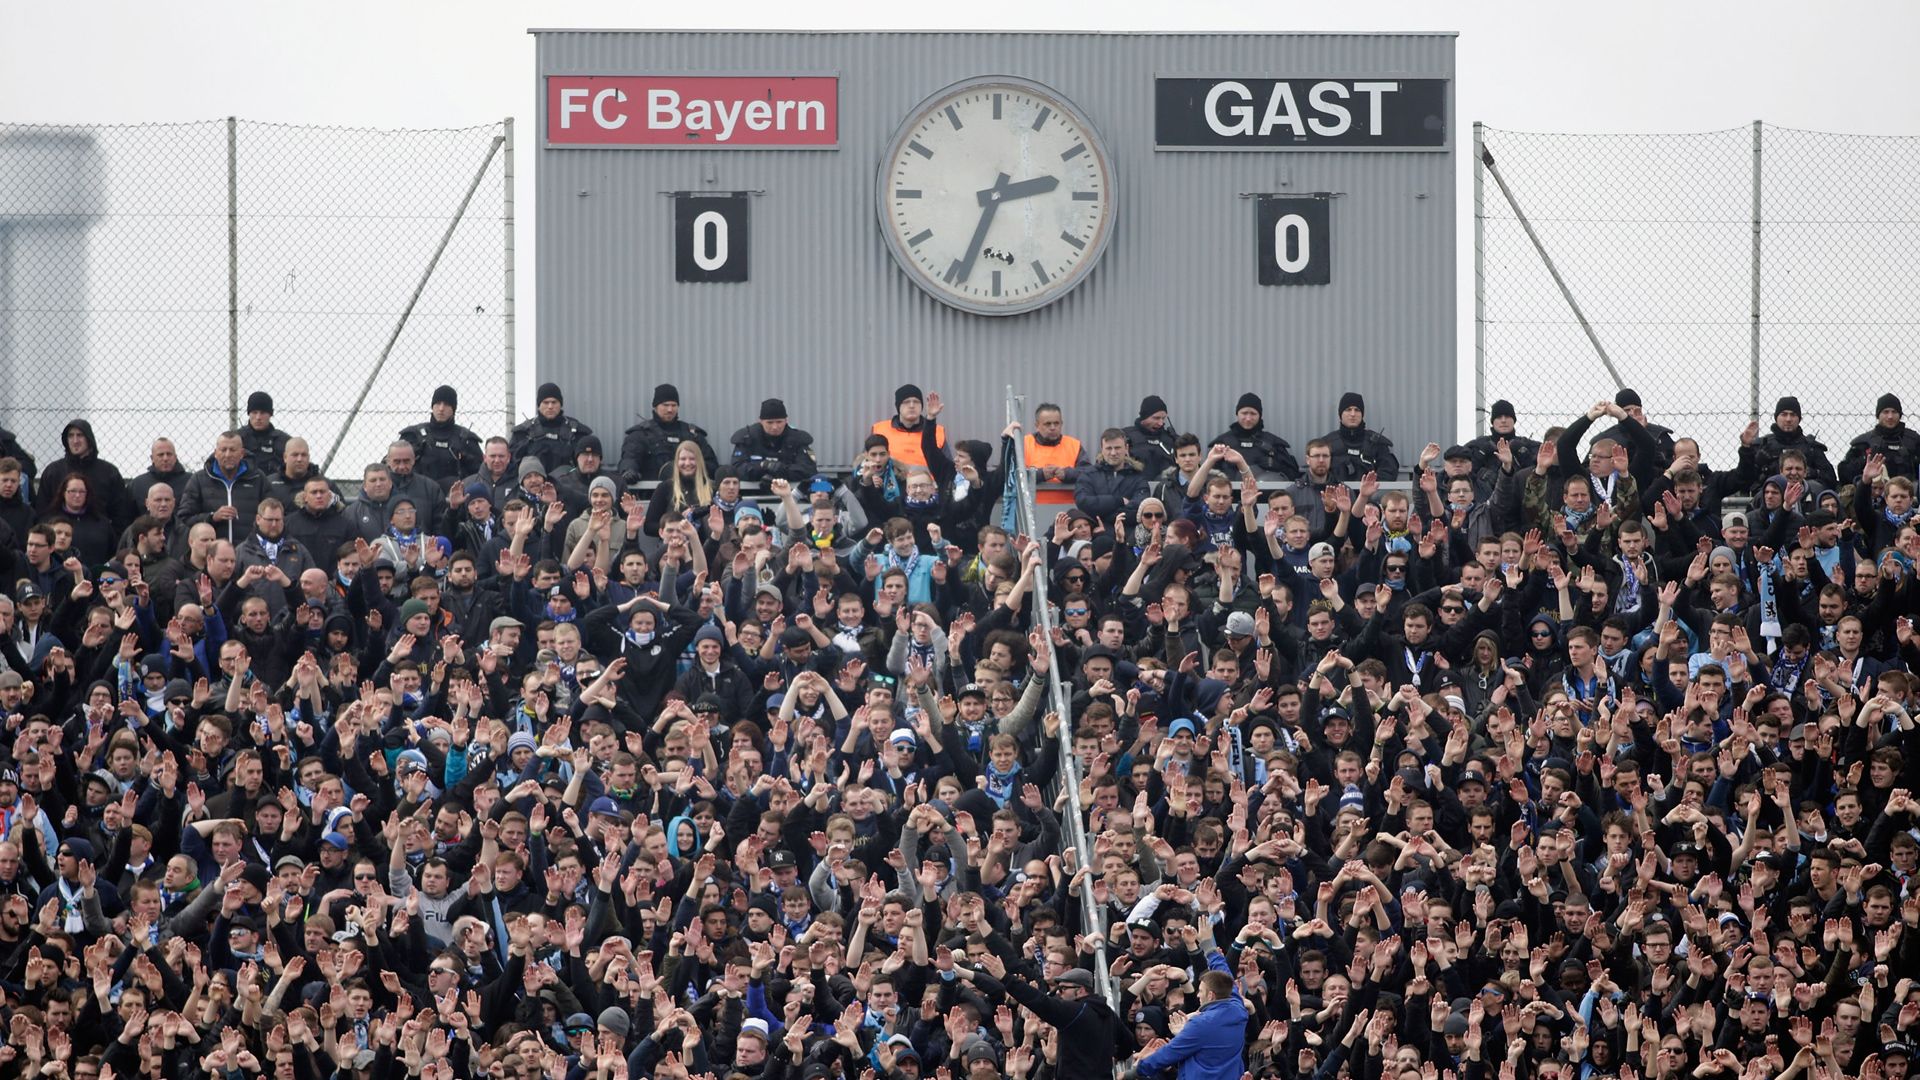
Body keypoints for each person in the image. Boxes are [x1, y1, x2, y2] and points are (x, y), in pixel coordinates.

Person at [176, 429, 269, 545]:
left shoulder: (257, 478)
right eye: (223, 450)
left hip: (250, 552)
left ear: (242, 453)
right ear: (216, 453)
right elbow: (184, 517)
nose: (228, 454)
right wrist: (212, 517)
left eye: (233, 450)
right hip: (211, 554)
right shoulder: (199, 479)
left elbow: (271, 515)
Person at [618, 382, 717, 485]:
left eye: (674, 405)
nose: (670, 409)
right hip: (650, 495)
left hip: (689, 495)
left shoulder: (693, 435)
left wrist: (692, 468)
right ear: (655, 407)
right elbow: (630, 459)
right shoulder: (640, 435)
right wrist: (629, 471)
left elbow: (711, 465)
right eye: (665, 405)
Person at [401, 384, 484, 485]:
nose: (441, 408)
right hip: (418, 494)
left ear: (453, 409)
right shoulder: (413, 435)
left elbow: (481, 475)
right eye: (438, 403)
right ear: (432, 406)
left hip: (456, 495)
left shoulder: (466, 439)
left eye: (446, 404)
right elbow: (392, 465)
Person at [1209, 392, 1298, 480]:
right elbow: (1208, 477)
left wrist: (1277, 466)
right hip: (1228, 494)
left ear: (1259, 415)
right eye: (1244, 413)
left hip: (1265, 494)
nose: (1248, 418)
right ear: (1237, 414)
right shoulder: (1222, 443)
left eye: (1253, 413)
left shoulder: (1273, 443)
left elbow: (1294, 476)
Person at [510, 381, 594, 474]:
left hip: (569, 485)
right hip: (533, 485)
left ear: (560, 404)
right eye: (546, 402)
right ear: (539, 405)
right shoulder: (522, 434)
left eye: (554, 402)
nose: (550, 406)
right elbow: (511, 465)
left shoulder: (578, 432)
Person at [730, 398, 817, 486]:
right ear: (760, 421)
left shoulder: (798, 439)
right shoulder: (747, 438)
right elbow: (736, 469)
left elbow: (809, 471)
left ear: (786, 420)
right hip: (750, 492)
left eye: (779, 422)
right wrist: (762, 467)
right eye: (770, 422)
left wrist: (781, 469)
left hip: (792, 493)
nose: (775, 427)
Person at [1840, 392, 1920, 485]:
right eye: (1885, 412)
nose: (1890, 416)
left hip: (1909, 492)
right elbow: (1845, 474)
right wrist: (1865, 458)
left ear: (1900, 415)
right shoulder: (1864, 443)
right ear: (1878, 415)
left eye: (1894, 412)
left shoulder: (1914, 440)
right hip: (1873, 492)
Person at [1321, 390, 1399, 480]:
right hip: (1335, 493)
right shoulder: (1327, 443)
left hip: (1371, 493)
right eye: (1348, 410)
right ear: (1340, 415)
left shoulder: (1377, 443)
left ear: (1362, 414)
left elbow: (1388, 472)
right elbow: (1318, 473)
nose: (1353, 414)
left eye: (1357, 410)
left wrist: (1370, 490)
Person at [870, 383, 946, 471]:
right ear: (898, 406)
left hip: (926, 484)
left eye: (916, 402)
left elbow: (947, 468)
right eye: (906, 402)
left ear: (922, 406)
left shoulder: (937, 432)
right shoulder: (880, 430)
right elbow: (866, 462)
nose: (911, 406)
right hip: (890, 483)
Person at [1024, 402, 1084, 506]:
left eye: (1056, 423)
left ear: (1062, 424)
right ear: (1037, 425)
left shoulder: (1074, 445)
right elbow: (1012, 476)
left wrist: (1067, 474)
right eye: (1048, 424)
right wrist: (1040, 475)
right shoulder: (1023, 444)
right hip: (1031, 511)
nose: (1053, 427)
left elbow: (1088, 473)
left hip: (1069, 512)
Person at [238, 391, 292, 478]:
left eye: (262, 413)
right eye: (254, 412)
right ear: (249, 413)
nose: (258, 417)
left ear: (270, 414)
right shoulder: (237, 439)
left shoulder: (284, 441)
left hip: (274, 487)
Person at [1125, 394, 1180, 479]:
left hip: (1167, 490)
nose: (1161, 423)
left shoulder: (1172, 438)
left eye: (1163, 418)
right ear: (1144, 417)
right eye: (1156, 418)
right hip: (1137, 490)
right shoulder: (1126, 436)